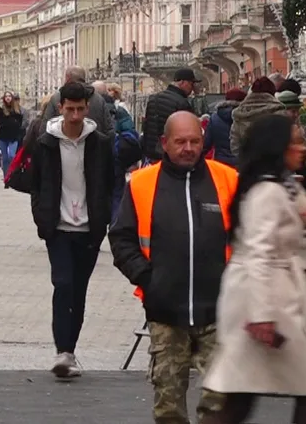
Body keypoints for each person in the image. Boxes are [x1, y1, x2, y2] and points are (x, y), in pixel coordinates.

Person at [110, 111, 238, 424]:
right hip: (165, 311)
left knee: (221, 401)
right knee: (168, 403)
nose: (188, 148)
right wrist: (147, 279)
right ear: (164, 143)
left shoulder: (228, 179)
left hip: (219, 310)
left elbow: (248, 237)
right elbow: (121, 238)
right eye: (180, 142)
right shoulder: (142, 184)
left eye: (195, 141)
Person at [201, 114, 306, 424]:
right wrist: (261, 316)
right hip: (262, 302)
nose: (302, 149)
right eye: (295, 142)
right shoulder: (267, 192)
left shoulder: (278, 185)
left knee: (240, 397)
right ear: (278, 148)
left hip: (266, 299)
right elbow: (259, 252)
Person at [21, 81, 116, 379]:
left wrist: (103, 220)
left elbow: (110, 183)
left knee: (79, 291)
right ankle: (62, 351)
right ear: (60, 108)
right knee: (63, 285)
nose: (74, 116)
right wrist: (42, 218)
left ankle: (70, 351)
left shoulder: (99, 143)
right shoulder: (46, 142)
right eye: (69, 109)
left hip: (89, 228)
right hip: (58, 227)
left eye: (80, 109)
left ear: (87, 109)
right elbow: (36, 184)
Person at [34, 66, 115, 135]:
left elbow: (45, 129)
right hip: (94, 149)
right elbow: (109, 129)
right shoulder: (99, 99)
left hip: (62, 148)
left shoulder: (57, 98)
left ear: (67, 78)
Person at [140, 68, 198, 164]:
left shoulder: (153, 99)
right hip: (171, 154)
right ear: (183, 82)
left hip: (151, 152)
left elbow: (146, 126)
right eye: (191, 84)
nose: (192, 88)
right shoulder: (182, 103)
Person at [230, 78, 286, 155]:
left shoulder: (240, 114)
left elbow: (235, 146)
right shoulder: (279, 112)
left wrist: (244, 161)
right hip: (274, 164)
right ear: (272, 92)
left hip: (248, 164)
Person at [203, 88, 245, 167]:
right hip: (243, 163)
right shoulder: (247, 116)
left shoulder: (215, 118)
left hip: (221, 164)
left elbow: (206, 144)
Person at [0, 91, 25, 172]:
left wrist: (8, 121)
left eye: (9, 96)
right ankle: (6, 178)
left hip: (13, 136)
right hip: (3, 137)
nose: (8, 98)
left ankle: (12, 174)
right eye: (6, 96)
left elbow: (19, 123)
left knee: (12, 156)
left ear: (12, 98)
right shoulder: (0, 110)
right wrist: (12, 121)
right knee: (5, 158)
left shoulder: (17, 110)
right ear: (4, 99)